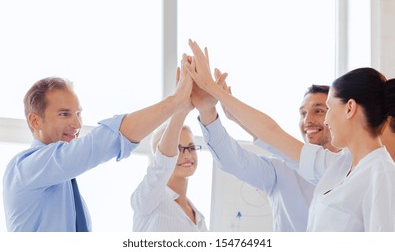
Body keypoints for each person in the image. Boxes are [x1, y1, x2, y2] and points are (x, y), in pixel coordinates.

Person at [187, 39, 395, 231]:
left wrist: (213, 89)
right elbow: (272, 133)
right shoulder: (339, 166)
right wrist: (216, 95)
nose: (326, 120)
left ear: (350, 108)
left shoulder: (383, 176)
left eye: (327, 109)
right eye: (303, 113)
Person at [3, 65, 193, 232]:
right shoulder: (26, 168)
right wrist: (175, 102)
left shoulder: (62, 181)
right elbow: (101, 142)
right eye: (64, 114)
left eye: (78, 114)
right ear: (35, 120)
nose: (77, 124)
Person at [191, 60, 339, 231]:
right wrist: (207, 111)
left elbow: (270, 132)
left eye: (318, 111)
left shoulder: (351, 166)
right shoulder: (280, 171)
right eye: (303, 113)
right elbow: (231, 159)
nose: (308, 121)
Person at [131, 61, 208, 231]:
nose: (187, 154)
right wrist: (180, 111)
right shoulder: (149, 200)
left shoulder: (199, 218)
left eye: (191, 147)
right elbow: (162, 164)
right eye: (178, 149)